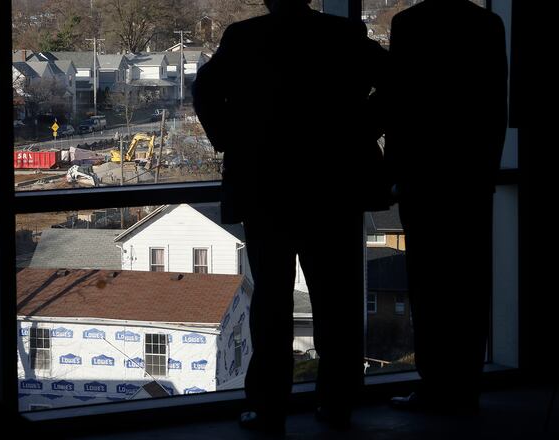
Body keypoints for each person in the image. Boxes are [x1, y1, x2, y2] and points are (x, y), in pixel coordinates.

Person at [192, 0, 387, 435]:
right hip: (334, 186)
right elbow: (397, 83)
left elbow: (205, 90)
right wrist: (360, 129)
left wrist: (232, 137)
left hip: (267, 187)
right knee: (336, 300)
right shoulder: (342, 35)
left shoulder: (245, 37)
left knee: (272, 302)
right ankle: (337, 402)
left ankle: (269, 408)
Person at [385, 0, 508, 414]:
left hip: (424, 178)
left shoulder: (409, 24)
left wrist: (393, 172)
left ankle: (435, 383)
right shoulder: (487, 24)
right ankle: (466, 386)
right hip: (470, 179)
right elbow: (495, 104)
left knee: (429, 286)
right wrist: (486, 171)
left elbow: (399, 105)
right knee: (469, 286)